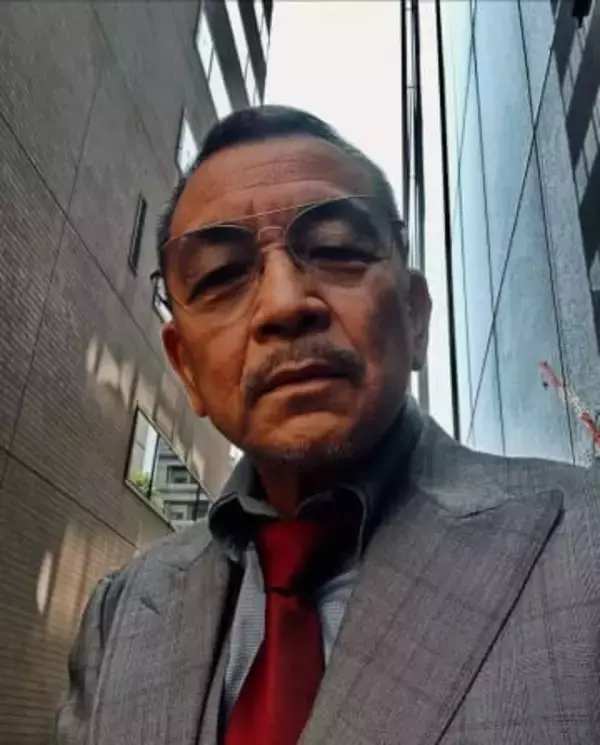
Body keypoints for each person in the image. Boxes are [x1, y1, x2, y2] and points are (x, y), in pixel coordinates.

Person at [56, 106, 600, 745]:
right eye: (222, 275)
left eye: (337, 249)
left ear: (415, 317)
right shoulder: (118, 618)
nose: (285, 304)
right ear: (187, 369)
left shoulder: (584, 543)